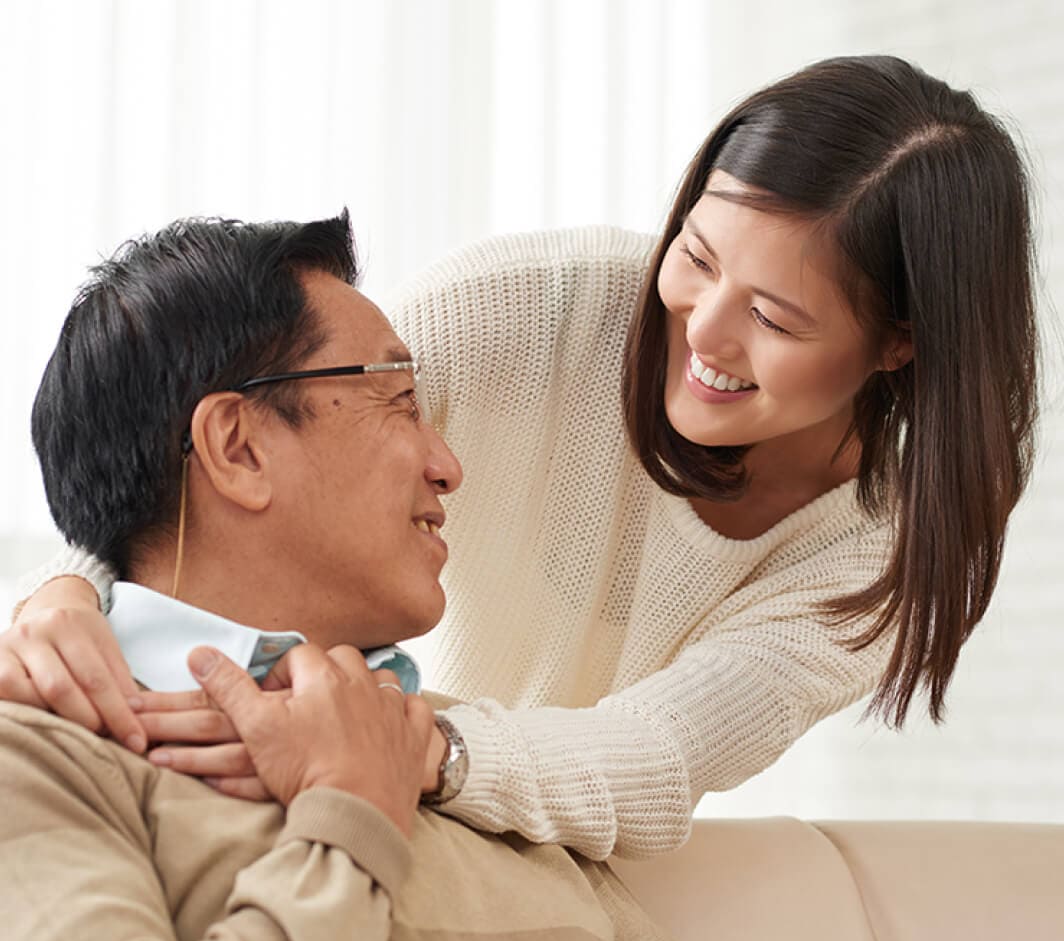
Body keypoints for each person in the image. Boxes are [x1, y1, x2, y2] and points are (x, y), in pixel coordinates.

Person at [2, 54, 1040, 860]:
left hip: (478, 800)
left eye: (770, 315)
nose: (701, 333)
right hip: (339, 750)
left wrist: (415, 752)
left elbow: (660, 751)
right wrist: (63, 597)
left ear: (898, 341)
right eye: (695, 256)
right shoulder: (532, 308)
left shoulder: (881, 551)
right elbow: (239, 442)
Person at [0, 211, 691, 941]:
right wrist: (353, 814)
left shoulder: (469, 763)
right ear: (239, 449)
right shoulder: (36, 754)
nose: (448, 465)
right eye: (397, 400)